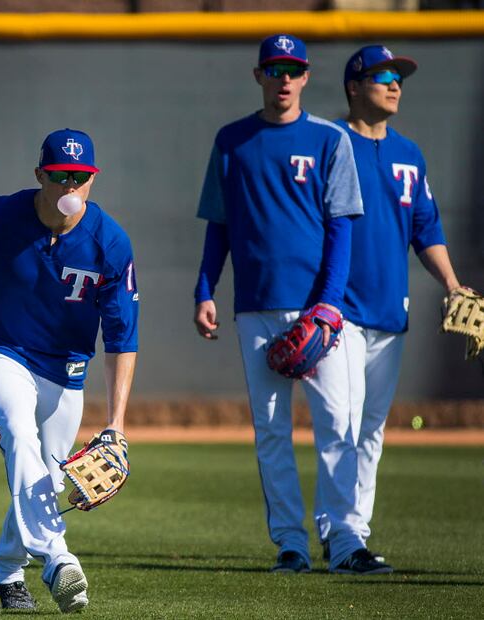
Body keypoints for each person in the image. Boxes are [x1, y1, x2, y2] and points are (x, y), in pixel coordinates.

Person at [0, 128, 139, 612]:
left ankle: (3, 571)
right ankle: (57, 557)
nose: (70, 187)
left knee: (48, 476)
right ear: (40, 175)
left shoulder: (110, 242)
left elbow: (123, 338)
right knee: (19, 434)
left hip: (64, 369)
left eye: (81, 178)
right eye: (60, 176)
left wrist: (117, 423)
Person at [192, 34, 391, 575]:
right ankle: (290, 544)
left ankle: (346, 540)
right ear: (258, 75)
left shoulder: (330, 140)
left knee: (337, 426)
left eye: (293, 69)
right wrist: (205, 289)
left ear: (305, 77)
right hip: (255, 306)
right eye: (274, 69)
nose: (284, 79)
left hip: (323, 313)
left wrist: (327, 306)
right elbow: (220, 226)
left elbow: (341, 230)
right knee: (273, 430)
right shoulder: (232, 141)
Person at [313, 45, 464, 564]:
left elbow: (427, 230)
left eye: (398, 76)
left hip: (388, 312)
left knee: (370, 430)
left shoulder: (409, 155)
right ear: (354, 86)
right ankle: (342, 538)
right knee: (340, 421)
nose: (394, 84)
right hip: (336, 311)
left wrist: (452, 285)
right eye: (381, 76)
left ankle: (352, 532)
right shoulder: (330, 142)